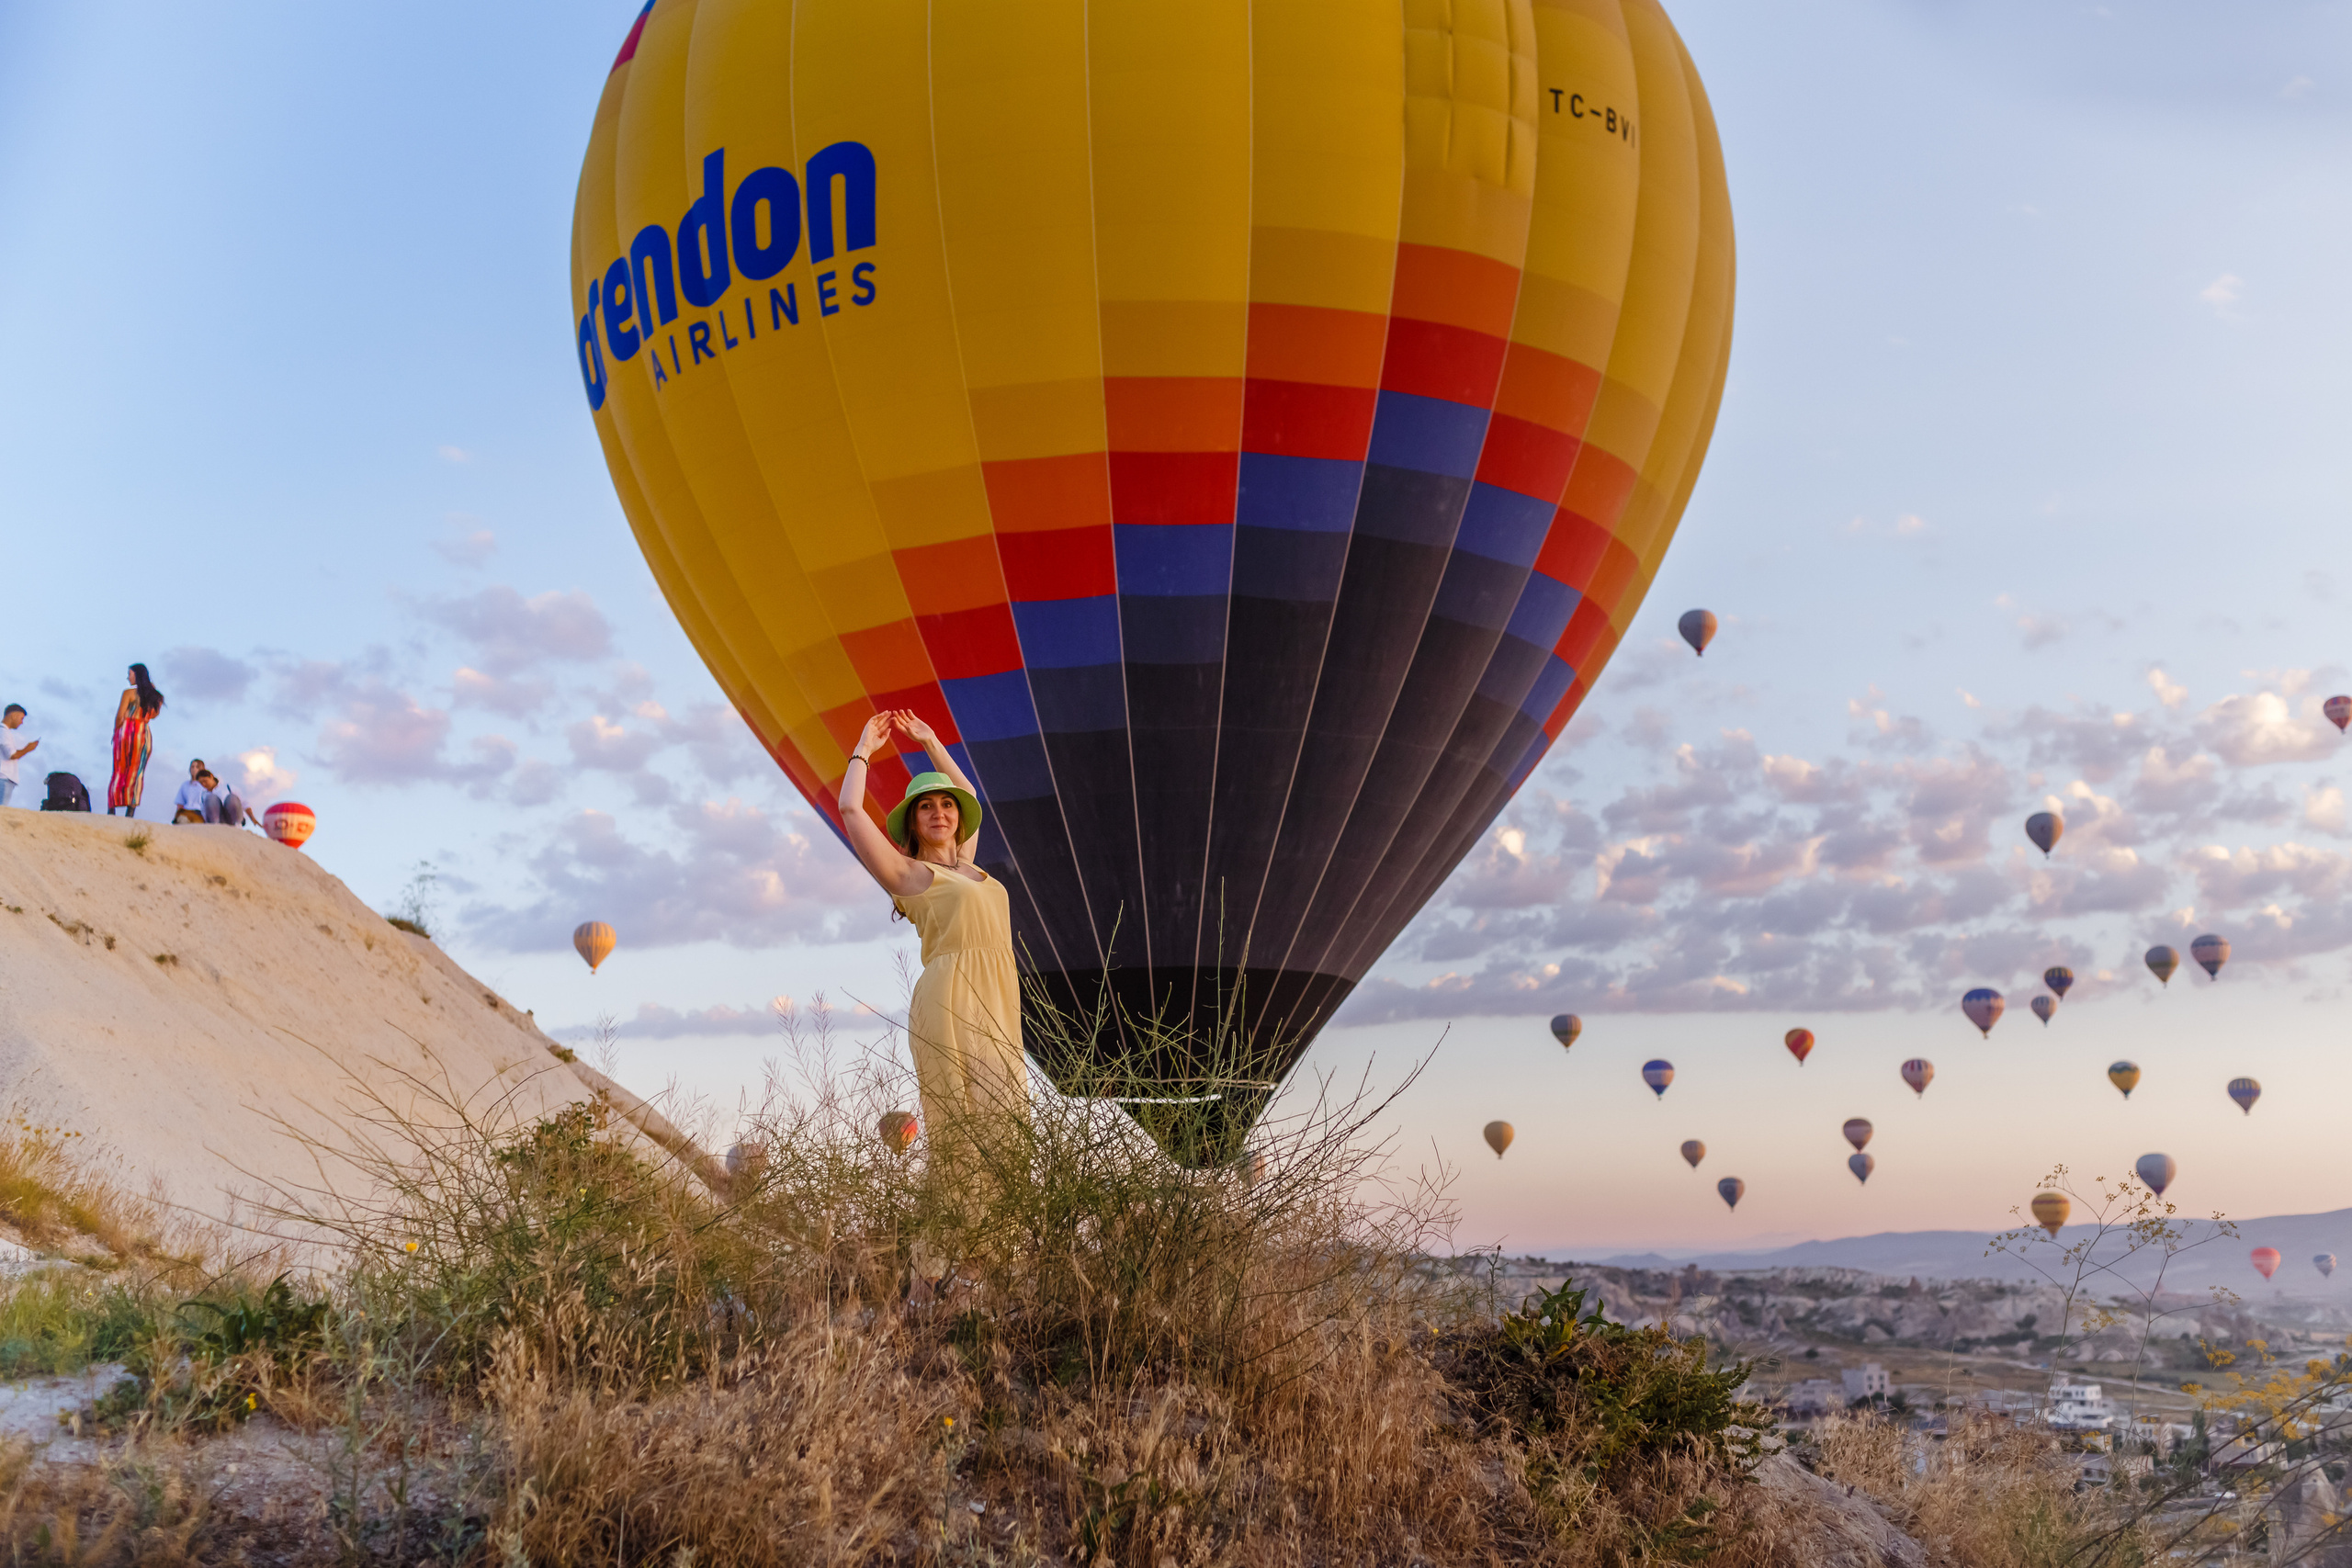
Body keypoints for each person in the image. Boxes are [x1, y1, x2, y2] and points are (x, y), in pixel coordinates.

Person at [837, 709, 1028, 1158]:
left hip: (998, 995)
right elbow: (850, 809)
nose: (939, 812)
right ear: (913, 822)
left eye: (946, 806)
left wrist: (930, 741)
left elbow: (967, 792)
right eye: (926, 806)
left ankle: (1007, 1228)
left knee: (1007, 1123)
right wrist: (863, 750)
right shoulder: (910, 875)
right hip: (952, 997)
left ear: (959, 818)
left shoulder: (968, 865)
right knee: (966, 1126)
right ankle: (962, 1225)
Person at [106, 664, 164, 818]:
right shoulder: (155, 697)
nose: (128, 677)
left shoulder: (128, 693)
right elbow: (153, 716)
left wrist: (115, 732)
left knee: (119, 770)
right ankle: (130, 810)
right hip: (143, 734)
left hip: (126, 732)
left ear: (137, 675)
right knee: (137, 772)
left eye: (129, 674)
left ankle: (112, 808)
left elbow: (119, 716)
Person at [0, 705, 35, 808]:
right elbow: (12, 755)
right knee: (2, 811)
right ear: (14, 715)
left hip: (4, 778)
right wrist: (28, 748)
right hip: (3, 777)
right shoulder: (3, 732)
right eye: (21, 718)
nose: (22, 722)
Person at [172, 759, 212, 824]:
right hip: (186, 812)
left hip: (200, 814)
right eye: (192, 767)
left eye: (197, 767)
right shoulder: (185, 785)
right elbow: (180, 805)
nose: (194, 769)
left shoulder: (205, 786)